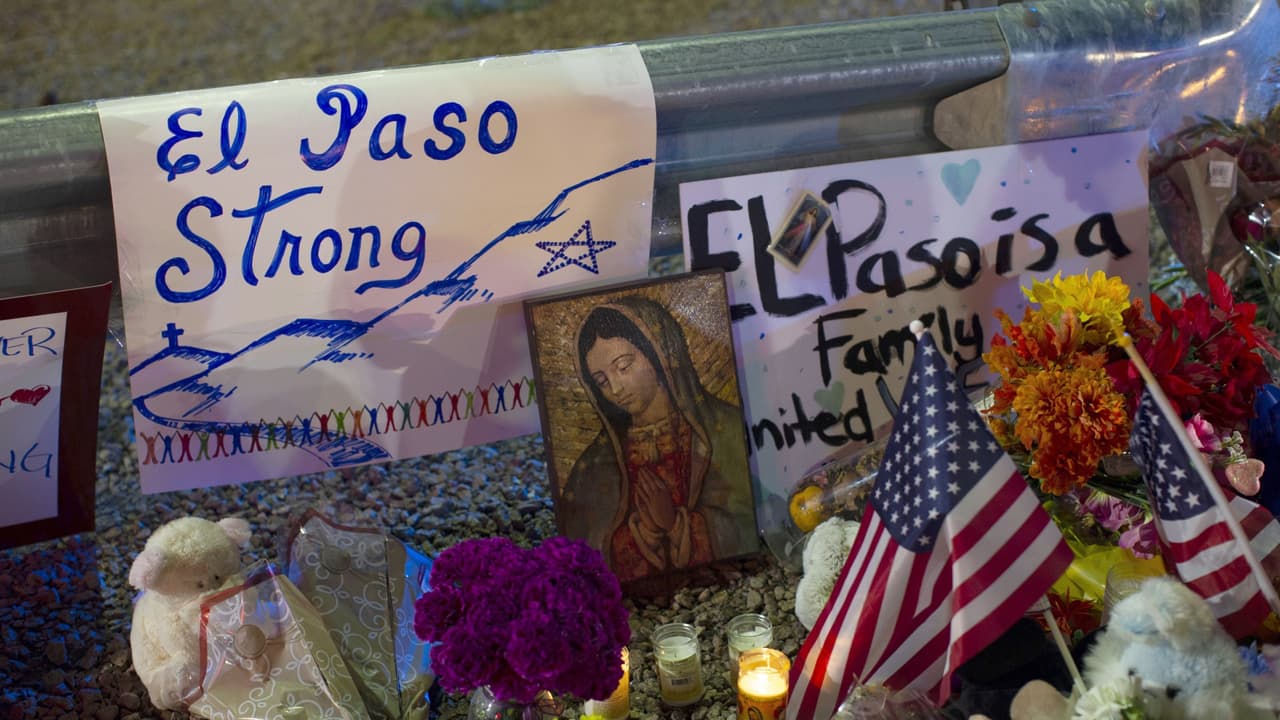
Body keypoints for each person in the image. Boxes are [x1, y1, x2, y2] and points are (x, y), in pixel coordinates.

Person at [560, 296, 757, 583]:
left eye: (624, 366)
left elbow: (749, 522)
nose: (615, 388)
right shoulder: (593, 468)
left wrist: (677, 525)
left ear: (660, 354)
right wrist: (647, 532)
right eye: (601, 381)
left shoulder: (726, 429)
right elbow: (582, 556)